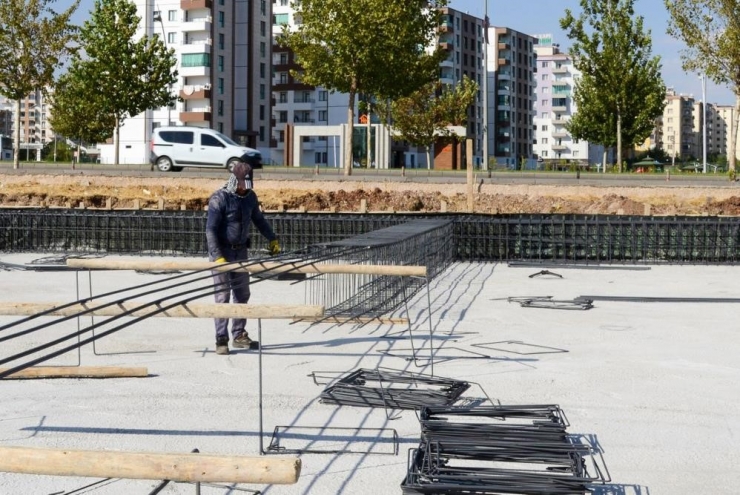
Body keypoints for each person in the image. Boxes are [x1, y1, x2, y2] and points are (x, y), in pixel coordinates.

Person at [205, 160, 280, 355]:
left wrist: (272, 238)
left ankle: (238, 334)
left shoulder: (250, 197)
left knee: (242, 294)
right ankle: (221, 339)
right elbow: (210, 230)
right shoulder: (219, 198)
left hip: (240, 252)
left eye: (247, 186)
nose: (243, 189)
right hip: (222, 252)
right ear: (234, 180)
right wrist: (217, 256)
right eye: (241, 185)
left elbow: (259, 220)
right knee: (222, 295)